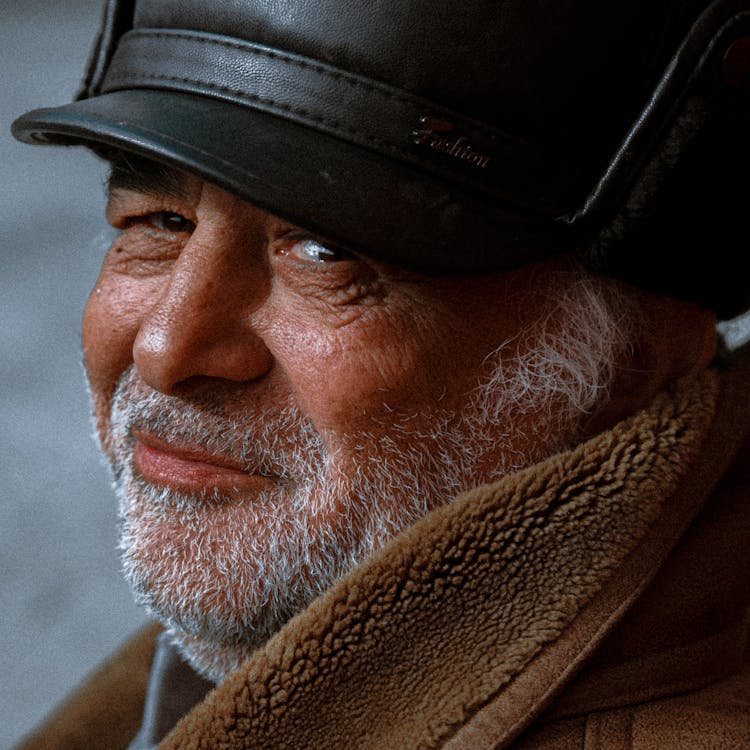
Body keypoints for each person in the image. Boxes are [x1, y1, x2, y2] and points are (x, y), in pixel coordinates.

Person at [11, 0, 750, 748]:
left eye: (326, 254)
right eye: (159, 223)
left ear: (630, 355)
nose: (166, 348)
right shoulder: (289, 624)